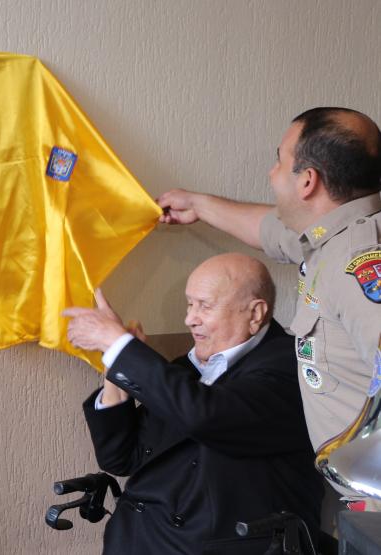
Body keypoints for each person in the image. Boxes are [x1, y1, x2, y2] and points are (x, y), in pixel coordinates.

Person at [156, 108, 381, 508]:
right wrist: (198, 205)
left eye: (280, 161)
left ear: (308, 181)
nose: (272, 174)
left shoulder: (358, 262)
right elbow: (270, 231)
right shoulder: (332, 236)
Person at [63, 253, 324, 555]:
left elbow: (206, 415)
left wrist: (121, 348)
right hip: (138, 539)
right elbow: (121, 459)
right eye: (190, 304)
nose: (189, 318)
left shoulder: (290, 368)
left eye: (205, 305)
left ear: (255, 314)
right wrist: (115, 375)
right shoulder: (186, 369)